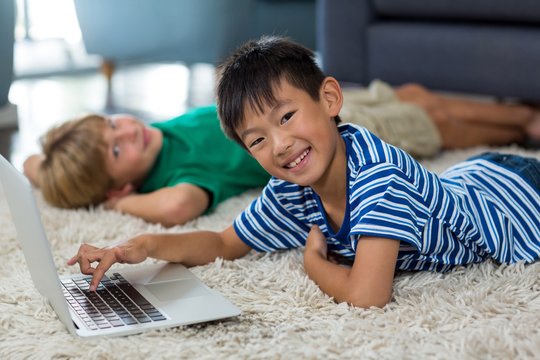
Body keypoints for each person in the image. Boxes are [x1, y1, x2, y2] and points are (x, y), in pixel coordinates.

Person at [69, 36, 540, 308]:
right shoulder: (291, 190)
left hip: (515, 199)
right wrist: (141, 247)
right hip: (471, 177)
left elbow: (367, 296)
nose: (280, 144)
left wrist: (313, 264)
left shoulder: (379, 180)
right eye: (257, 140)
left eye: (286, 117)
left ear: (330, 100)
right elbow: (222, 243)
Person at [23, 106, 271, 227]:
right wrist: (116, 203)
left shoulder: (151, 141)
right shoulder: (178, 172)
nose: (129, 130)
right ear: (117, 189)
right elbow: (178, 206)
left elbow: (29, 164)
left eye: (111, 124)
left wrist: (46, 173)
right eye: (117, 150)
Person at [339, 80, 540, 158]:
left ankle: (524, 116)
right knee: (428, 119)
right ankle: (524, 125)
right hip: (341, 126)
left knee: (412, 93)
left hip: (322, 104)